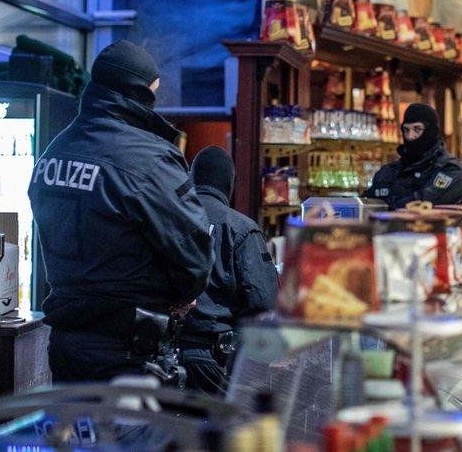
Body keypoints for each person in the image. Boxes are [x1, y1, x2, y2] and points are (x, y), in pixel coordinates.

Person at [29, 40, 215, 383]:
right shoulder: (149, 159)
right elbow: (194, 253)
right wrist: (182, 296)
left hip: (66, 342)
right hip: (128, 349)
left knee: (76, 434)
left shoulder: (53, 152)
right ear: (139, 93)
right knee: (128, 436)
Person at [180, 146, 279, 396]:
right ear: (229, 183)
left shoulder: (169, 217)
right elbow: (264, 303)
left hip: (165, 357)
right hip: (215, 359)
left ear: (192, 178)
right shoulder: (241, 229)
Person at [364, 103, 462, 209]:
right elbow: (366, 202)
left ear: (431, 131)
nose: (410, 136)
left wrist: (387, 206)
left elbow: (420, 203)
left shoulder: (449, 169)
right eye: (406, 130)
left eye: (417, 129)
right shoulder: (389, 171)